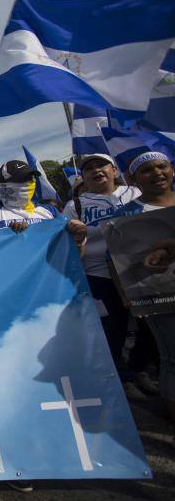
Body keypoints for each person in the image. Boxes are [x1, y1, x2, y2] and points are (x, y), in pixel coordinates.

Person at [63, 154, 147, 396]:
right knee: (114, 327)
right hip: (98, 274)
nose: (96, 171)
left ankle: (140, 368)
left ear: (113, 170)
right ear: (83, 177)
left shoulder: (134, 193)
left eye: (101, 165)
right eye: (89, 169)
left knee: (149, 327)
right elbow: (69, 243)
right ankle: (122, 378)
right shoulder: (75, 205)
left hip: (141, 269)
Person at [113, 151, 175, 421]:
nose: (157, 174)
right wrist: (126, 293)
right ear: (133, 179)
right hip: (159, 296)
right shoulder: (127, 214)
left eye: (162, 167)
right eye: (147, 171)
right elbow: (117, 260)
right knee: (171, 356)